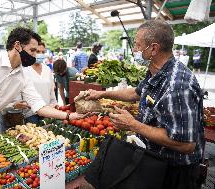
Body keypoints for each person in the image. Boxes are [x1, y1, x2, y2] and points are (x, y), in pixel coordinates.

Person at [86, 20, 204, 189]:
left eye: (137, 45)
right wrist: (102, 93)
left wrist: (133, 125)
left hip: (175, 171)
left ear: (153, 49)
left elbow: (186, 144)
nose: (134, 50)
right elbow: (135, 92)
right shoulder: (157, 72)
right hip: (155, 160)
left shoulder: (177, 85)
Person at [0, 27, 84, 148]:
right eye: (33, 50)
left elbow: (39, 106)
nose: (35, 56)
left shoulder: (23, 76)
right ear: (17, 45)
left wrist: (69, 115)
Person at [22, 41, 58, 124]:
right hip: (31, 114)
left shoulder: (47, 69)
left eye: (43, 52)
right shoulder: (25, 70)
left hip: (48, 112)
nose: (40, 54)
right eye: (38, 51)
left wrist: (54, 104)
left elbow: (51, 90)